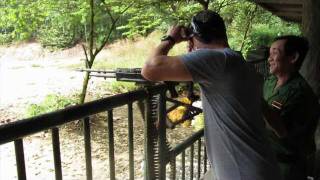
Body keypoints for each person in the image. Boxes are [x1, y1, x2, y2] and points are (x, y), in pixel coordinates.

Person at [141, 10, 282, 180]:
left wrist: (170, 38)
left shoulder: (217, 59)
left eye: (191, 41)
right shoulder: (239, 63)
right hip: (259, 166)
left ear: (195, 38)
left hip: (245, 172)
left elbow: (149, 69)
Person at [262, 35, 319, 180]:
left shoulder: (301, 94)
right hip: (266, 158)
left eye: (275, 53)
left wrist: (255, 100)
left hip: (287, 167)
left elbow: (281, 131)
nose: (269, 59)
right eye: (269, 54)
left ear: (293, 57)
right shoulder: (270, 81)